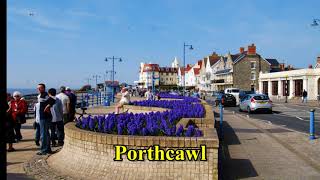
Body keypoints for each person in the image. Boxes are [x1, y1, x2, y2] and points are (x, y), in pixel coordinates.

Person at [36, 83, 56, 155]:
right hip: (44, 117)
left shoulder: (44, 94)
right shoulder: (42, 95)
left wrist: (48, 106)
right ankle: (48, 149)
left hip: (44, 117)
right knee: (46, 134)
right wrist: (48, 105)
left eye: (40, 88)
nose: (38, 89)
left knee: (43, 134)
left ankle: (44, 150)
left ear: (44, 88)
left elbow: (53, 100)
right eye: (38, 88)